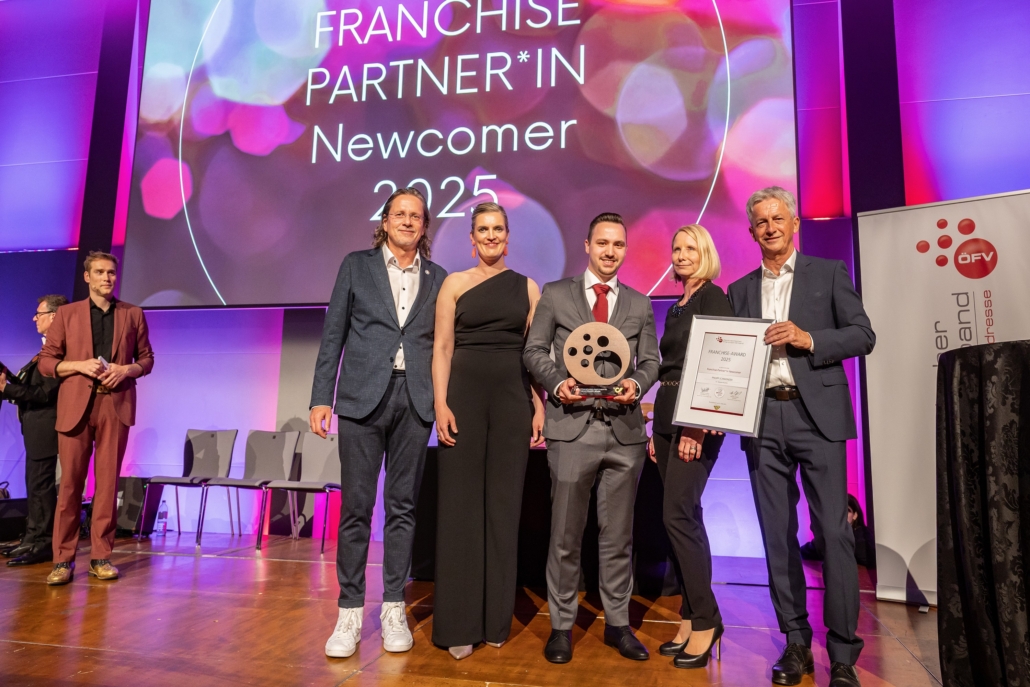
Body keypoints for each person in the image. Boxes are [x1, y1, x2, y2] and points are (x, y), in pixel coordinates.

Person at [727, 187, 874, 687]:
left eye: (778, 218)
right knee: (776, 535)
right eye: (761, 221)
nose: (770, 227)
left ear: (794, 224)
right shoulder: (740, 290)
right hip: (763, 419)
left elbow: (863, 334)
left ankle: (843, 654)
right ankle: (795, 643)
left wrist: (808, 338)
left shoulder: (828, 273)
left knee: (833, 533)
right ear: (751, 232)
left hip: (818, 420)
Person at [310, 187, 447, 659]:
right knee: (356, 508)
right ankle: (349, 611)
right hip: (360, 400)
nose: (407, 221)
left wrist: (443, 402)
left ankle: (393, 607)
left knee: (403, 507)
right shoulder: (356, 266)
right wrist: (321, 397)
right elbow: (333, 335)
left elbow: (443, 348)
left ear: (424, 227)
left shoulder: (438, 277)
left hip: (416, 401)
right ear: (385, 222)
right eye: (399, 214)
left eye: (416, 216)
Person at [524, 212, 660, 664]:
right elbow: (533, 350)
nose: (609, 251)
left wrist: (636, 385)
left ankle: (618, 625)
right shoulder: (556, 294)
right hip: (571, 428)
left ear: (625, 249)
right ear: (587, 245)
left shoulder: (639, 303)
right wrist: (556, 382)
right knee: (565, 536)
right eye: (602, 243)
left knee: (618, 537)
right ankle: (561, 627)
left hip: (624, 432)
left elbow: (651, 361)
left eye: (618, 244)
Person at [431, 202, 545, 660]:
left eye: (498, 228)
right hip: (463, 400)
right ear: (472, 238)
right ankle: (459, 623)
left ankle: (496, 619)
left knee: (503, 509)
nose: (491, 235)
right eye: (483, 229)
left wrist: (539, 404)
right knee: (460, 509)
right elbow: (442, 347)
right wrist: (440, 403)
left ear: (508, 237)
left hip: (513, 402)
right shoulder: (454, 284)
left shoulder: (528, 288)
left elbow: (535, 353)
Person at [39, 252, 155, 585]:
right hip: (76, 407)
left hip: (114, 406)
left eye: (112, 272)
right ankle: (62, 561)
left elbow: (147, 359)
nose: (107, 278)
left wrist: (126, 369)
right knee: (70, 486)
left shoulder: (132, 313)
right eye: (100, 272)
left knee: (107, 486)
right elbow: (47, 362)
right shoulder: (67, 314)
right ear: (87, 277)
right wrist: (78, 365)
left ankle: (101, 557)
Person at [647, 225, 734, 668]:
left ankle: (706, 619)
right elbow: (672, 369)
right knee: (685, 518)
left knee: (678, 516)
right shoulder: (680, 304)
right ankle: (690, 616)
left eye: (690, 248)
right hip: (666, 417)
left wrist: (698, 425)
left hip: (693, 420)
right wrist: (657, 431)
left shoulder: (712, 297)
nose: (681, 255)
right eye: (676, 248)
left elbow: (719, 365)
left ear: (706, 253)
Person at [0, 295, 68, 566]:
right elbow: (30, 387)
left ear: (54, 316)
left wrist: (7, 389)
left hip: (45, 427)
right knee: (34, 486)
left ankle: (43, 543)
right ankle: (31, 539)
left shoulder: (60, 352)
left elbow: (44, 394)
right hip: (34, 428)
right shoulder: (45, 351)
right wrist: (8, 378)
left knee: (41, 487)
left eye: (39, 313)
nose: (34, 318)